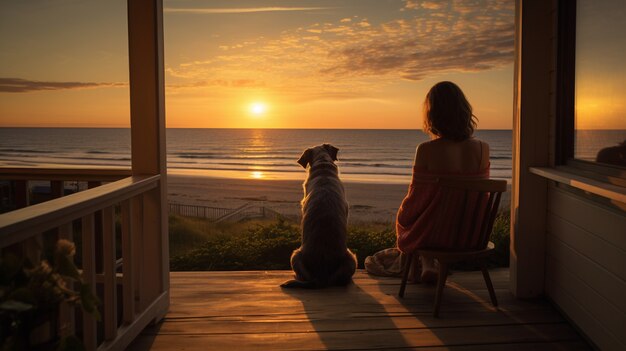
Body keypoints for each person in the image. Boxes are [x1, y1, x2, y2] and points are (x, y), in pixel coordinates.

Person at [365, 81, 490, 282]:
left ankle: (426, 263)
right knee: (444, 215)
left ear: (433, 114)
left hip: (437, 237)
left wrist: (403, 216)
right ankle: (431, 264)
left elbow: (417, 199)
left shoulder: (427, 150)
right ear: (464, 110)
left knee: (407, 217)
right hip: (472, 235)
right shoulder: (483, 148)